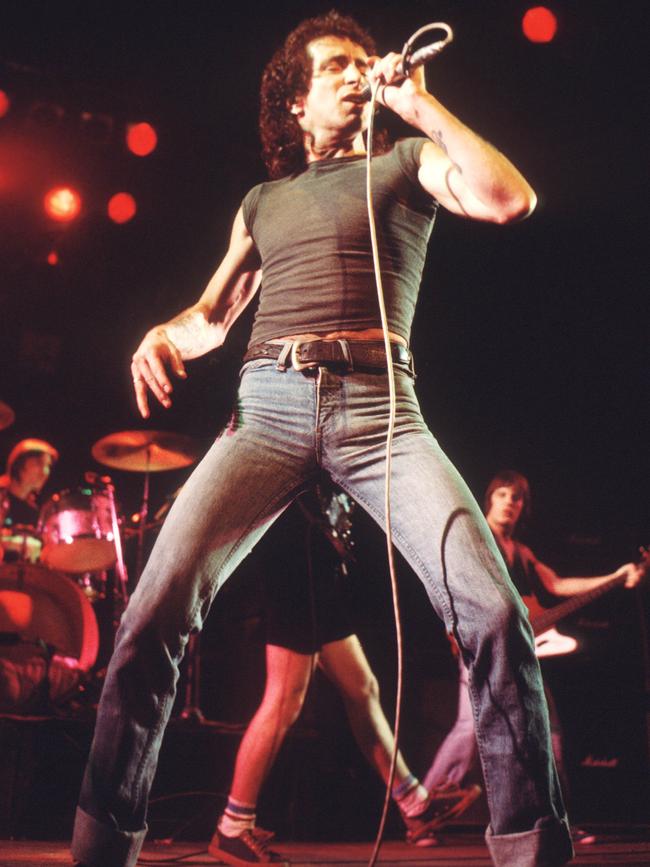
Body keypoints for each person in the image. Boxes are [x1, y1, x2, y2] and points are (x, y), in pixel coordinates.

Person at [71, 11, 573, 867]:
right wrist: (161, 330)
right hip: (266, 403)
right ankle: (100, 842)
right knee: (153, 611)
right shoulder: (264, 201)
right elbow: (211, 316)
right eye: (336, 65)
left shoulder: (407, 160)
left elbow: (508, 198)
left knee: (493, 611)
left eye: (360, 61)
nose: (357, 71)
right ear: (295, 104)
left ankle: (531, 847)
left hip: (383, 410)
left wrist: (421, 107)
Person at [208, 485, 480, 864]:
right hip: (294, 567)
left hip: (317, 570)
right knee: (284, 699)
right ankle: (233, 826)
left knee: (363, 688)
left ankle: (416, 805)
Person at [424, 470, 642, 810]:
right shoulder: (476, 535)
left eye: (516, 497)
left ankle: (560, 816)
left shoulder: (520, 552)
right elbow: (450, 583)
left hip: (523, 649)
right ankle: (423, 808)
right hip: (483, 645)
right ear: (489, 499)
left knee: (549, 731)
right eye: (502, 495)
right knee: (469, 729)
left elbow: (556, 585)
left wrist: (614, 576)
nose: (509, 502)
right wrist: (452, 628)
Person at [0, 438, 58, 563]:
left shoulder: (35, 513)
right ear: (19, 464)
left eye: (48, 466)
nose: (45, 472)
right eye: (38, 463)